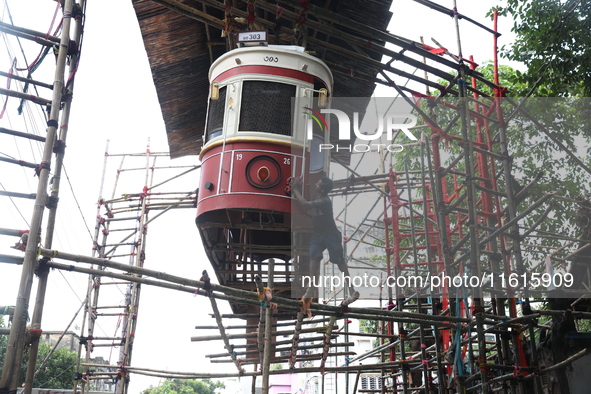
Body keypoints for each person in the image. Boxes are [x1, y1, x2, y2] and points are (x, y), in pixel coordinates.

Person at [291, 176, 358, 301]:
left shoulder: (325, 201)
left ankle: (351, 289)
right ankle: (311, 286)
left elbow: (305, 204)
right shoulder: (318, 197)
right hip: (318, 233)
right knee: (313, 256)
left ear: (322, 190)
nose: (316, 184)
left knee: (340, 263)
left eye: (318, 183)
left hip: (331, 235)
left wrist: (294, 189)